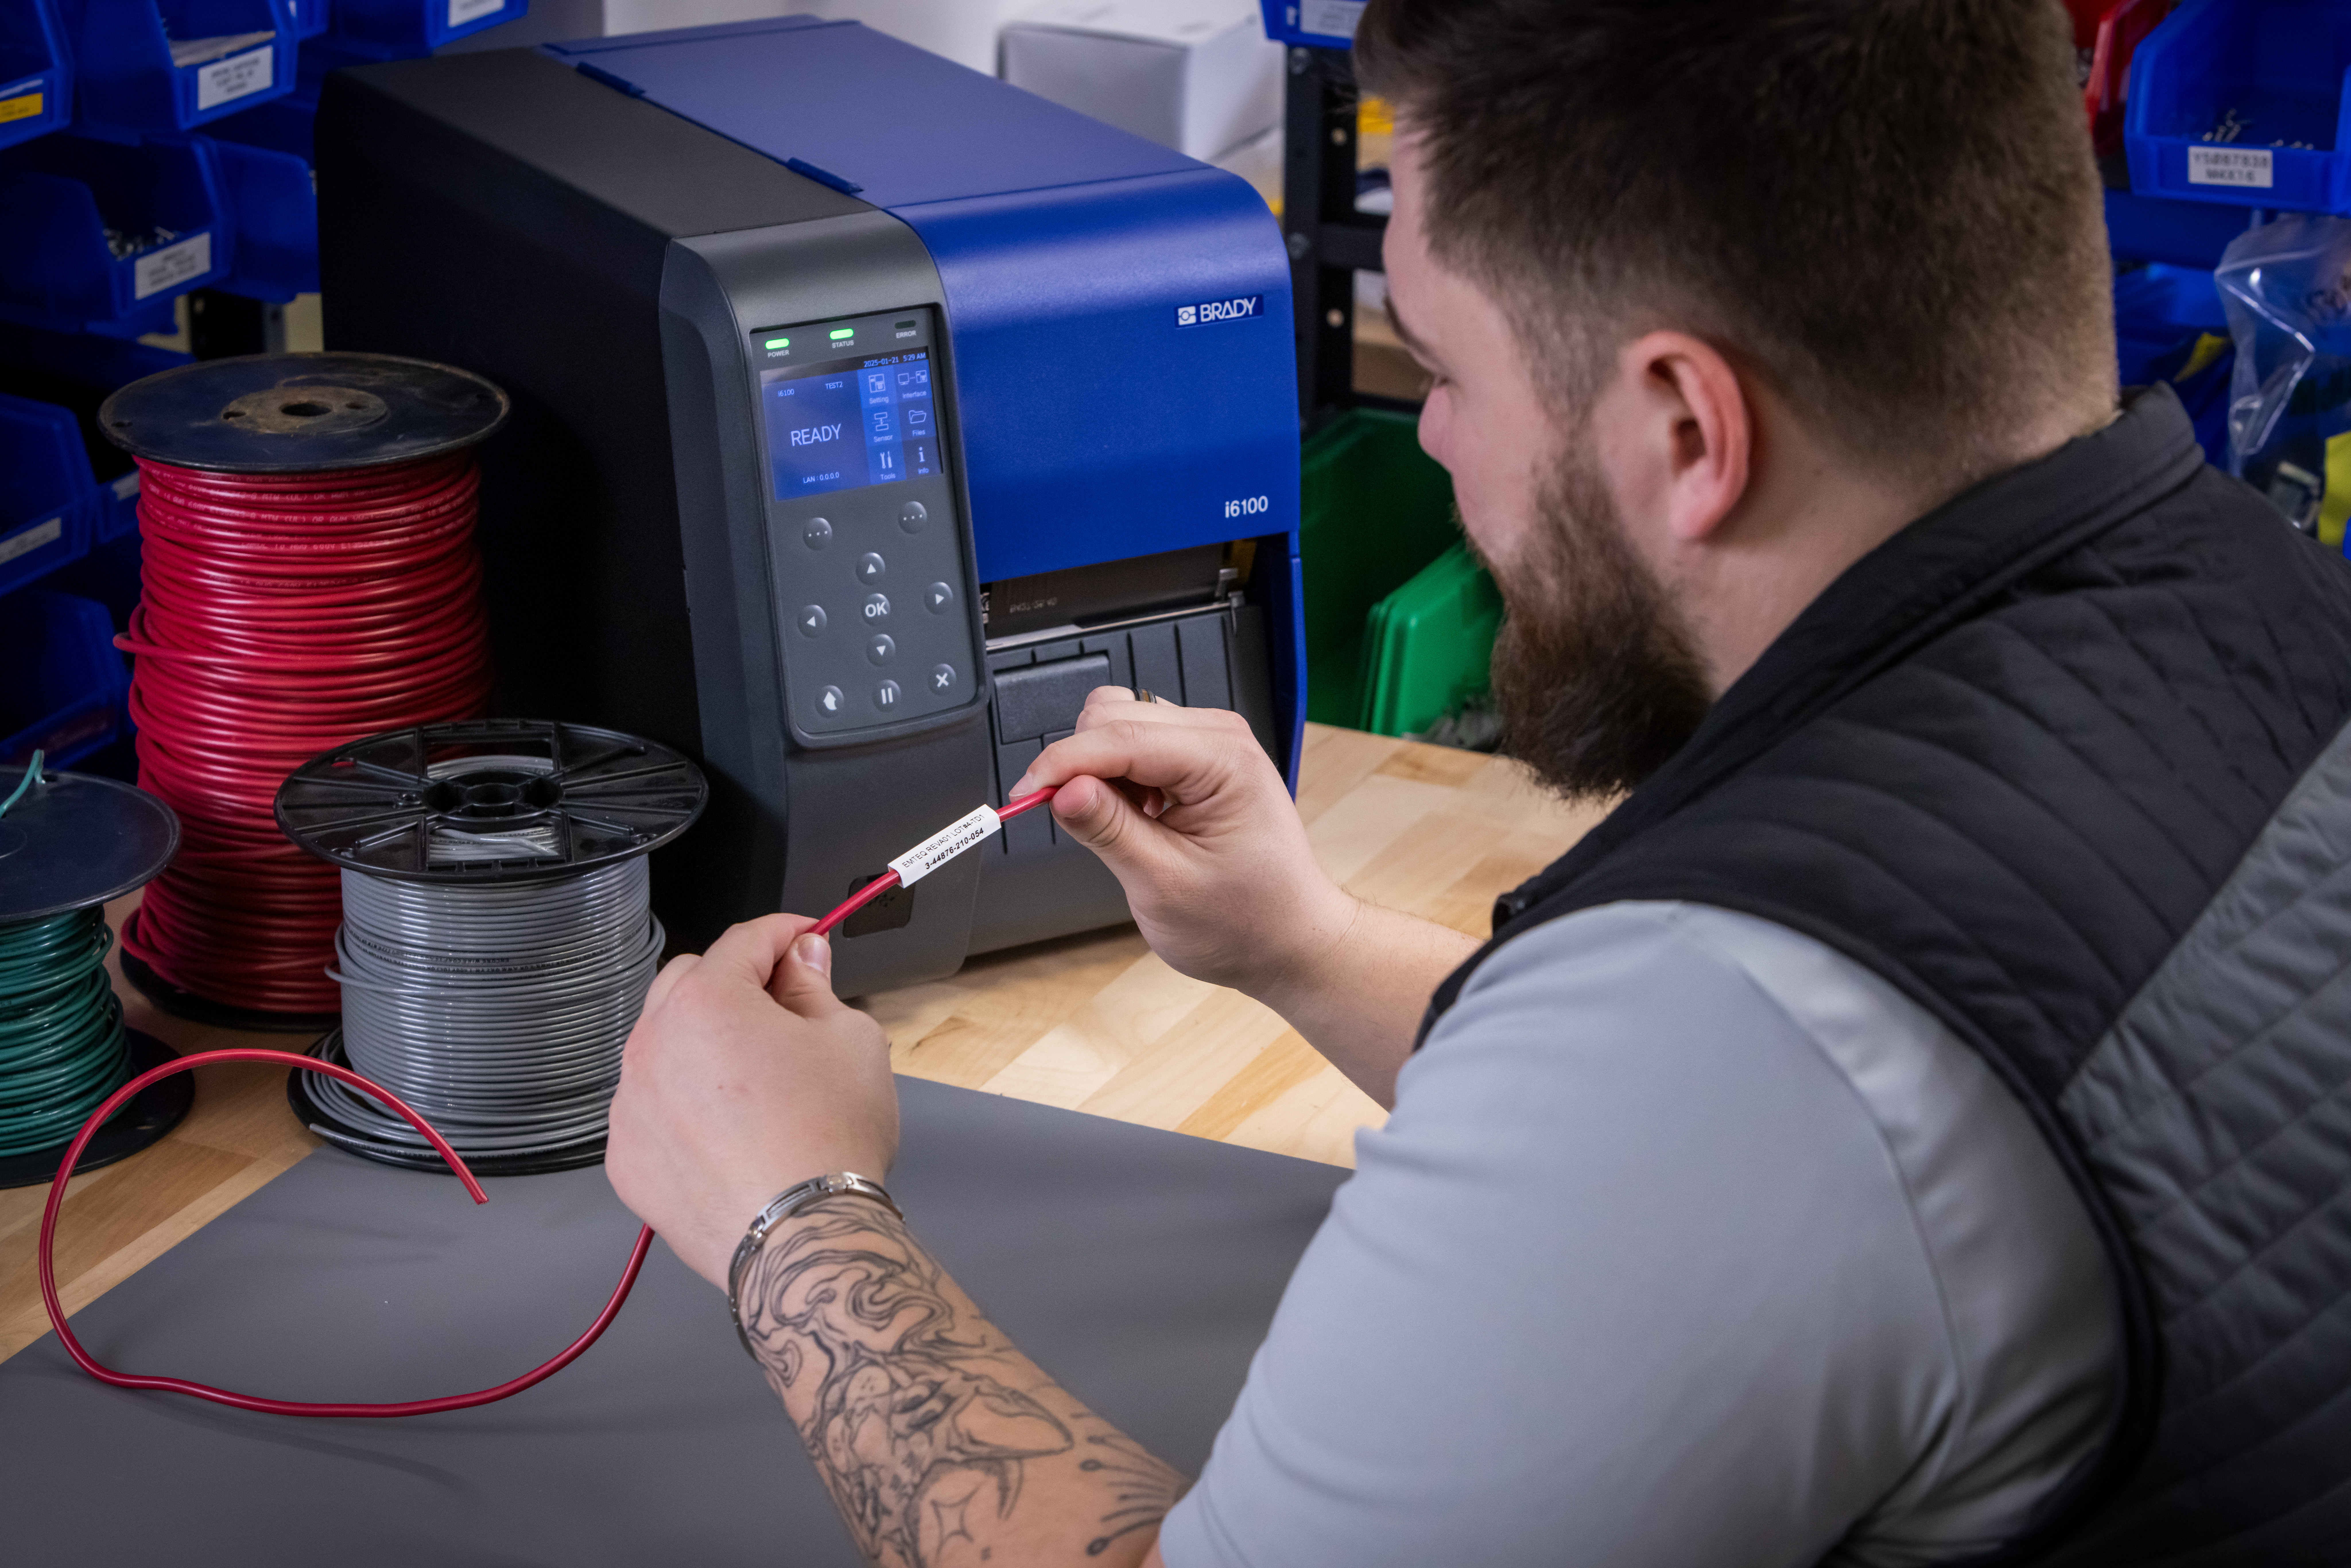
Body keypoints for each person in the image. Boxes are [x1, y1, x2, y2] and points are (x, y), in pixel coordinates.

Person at [605, 1, 2351, 1564]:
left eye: (1442, 371)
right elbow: (1799, 1133)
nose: (1429, 437)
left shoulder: (1737, 1042)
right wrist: (1296, 937)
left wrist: (791, 1213)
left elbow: (1733, 1098)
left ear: (1686, 428)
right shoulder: (2273, 614)